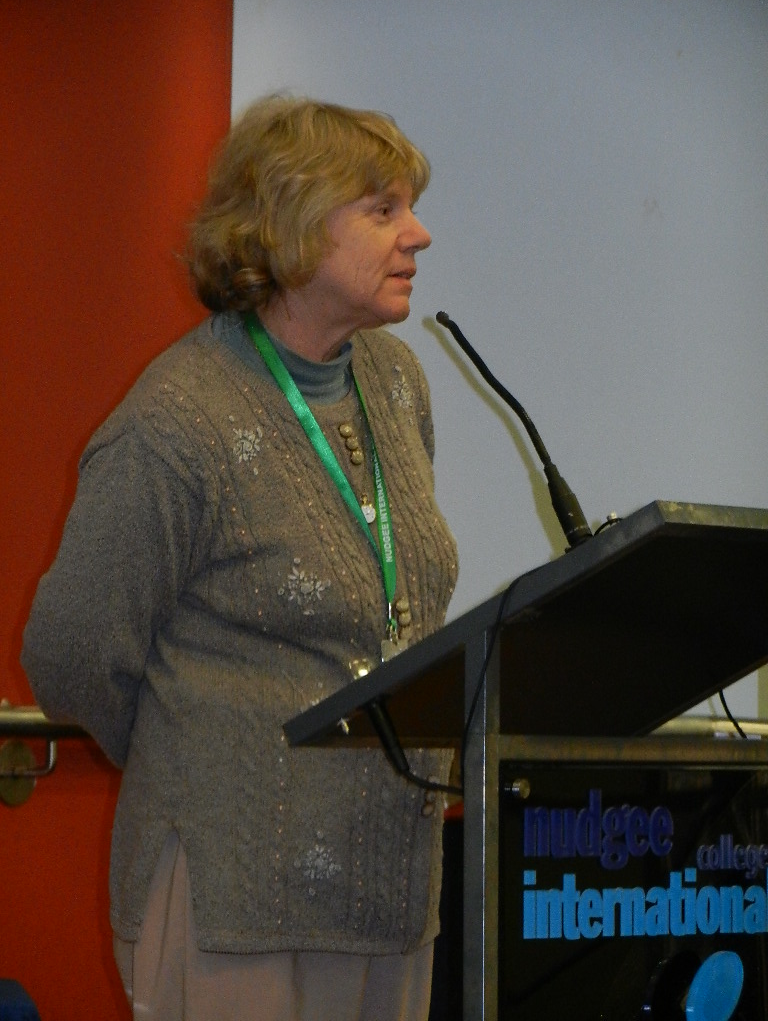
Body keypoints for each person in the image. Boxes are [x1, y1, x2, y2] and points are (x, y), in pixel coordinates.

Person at [21, 95, 458, 1021]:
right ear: (295, 226)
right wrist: (196, 752)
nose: (417, 233)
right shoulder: (177, 421)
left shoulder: (397, 383)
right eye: (383, 209)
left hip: (391, 888)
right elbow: (70, 651)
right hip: (234, 895)